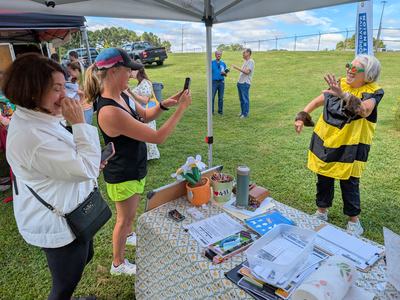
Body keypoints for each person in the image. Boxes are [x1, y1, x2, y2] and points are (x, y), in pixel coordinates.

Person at [85, 47, 191, 276]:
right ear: (113, 72)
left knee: (129, 216)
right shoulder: (109, 110)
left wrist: (167, 104)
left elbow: (145, 115)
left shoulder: (122, 96)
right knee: (124, 219)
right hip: (123, 173)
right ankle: (118, 264)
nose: (132, 75)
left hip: (133, 167)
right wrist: (181, 109)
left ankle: (129, 235)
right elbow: (158, 137)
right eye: (128, 71)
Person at [3, 53, 101, 299]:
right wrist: (79, 124)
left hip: (71, 208)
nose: (64, 96)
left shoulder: (38, 117)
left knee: (84, 258)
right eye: (56, 89)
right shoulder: (31, 138)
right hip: (58, 223)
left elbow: (70, 159)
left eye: (63, 86)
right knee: (64, 285)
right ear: (33, 90)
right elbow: (86, 167)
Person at [294, 54, 384, 236]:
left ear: (368, 75)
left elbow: (364, 110)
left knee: (349, 183)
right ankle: (321, 212)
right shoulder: (339, 83)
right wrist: (302, 116)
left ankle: (353, 222)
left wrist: (343, 95)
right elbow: (319, 100)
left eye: (355, 69)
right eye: (348, 66)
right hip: (327, 140)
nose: (349, 71)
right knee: (324, 177)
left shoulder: (372, 92)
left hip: (351, 145)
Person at [129, 67, 160, 160]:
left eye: (132, 70)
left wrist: (131, 93)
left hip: (145, 113)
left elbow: (145, 100)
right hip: (142, 113)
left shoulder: (145, 83)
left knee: (146, 133)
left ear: (138, 71)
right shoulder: (141, 82)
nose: (130, 73)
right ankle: (145, 155)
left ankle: (148, 155)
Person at [232, 48, 255, 118]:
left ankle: (245, 114)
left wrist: (236, 68)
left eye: (244, 52)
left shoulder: (251, 61)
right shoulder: (245, 61)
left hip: (245, 83)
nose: (242, 54)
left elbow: (247, 72)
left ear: (248, 53)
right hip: (240, 83)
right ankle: (242, 112)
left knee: (245, 99)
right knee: (241, 99)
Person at [211, 50, 228, 115]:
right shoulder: (211, 63)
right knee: (212, 97)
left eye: (220, 54)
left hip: (221, 82)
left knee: (221, 98)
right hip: (214, 82)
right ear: (215, 55)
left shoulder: (223, 63)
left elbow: (225, 75)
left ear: (221, 55)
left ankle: (220, 111)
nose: (219, 55)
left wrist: (225, 73)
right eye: (217, 54)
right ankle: (211, 111)